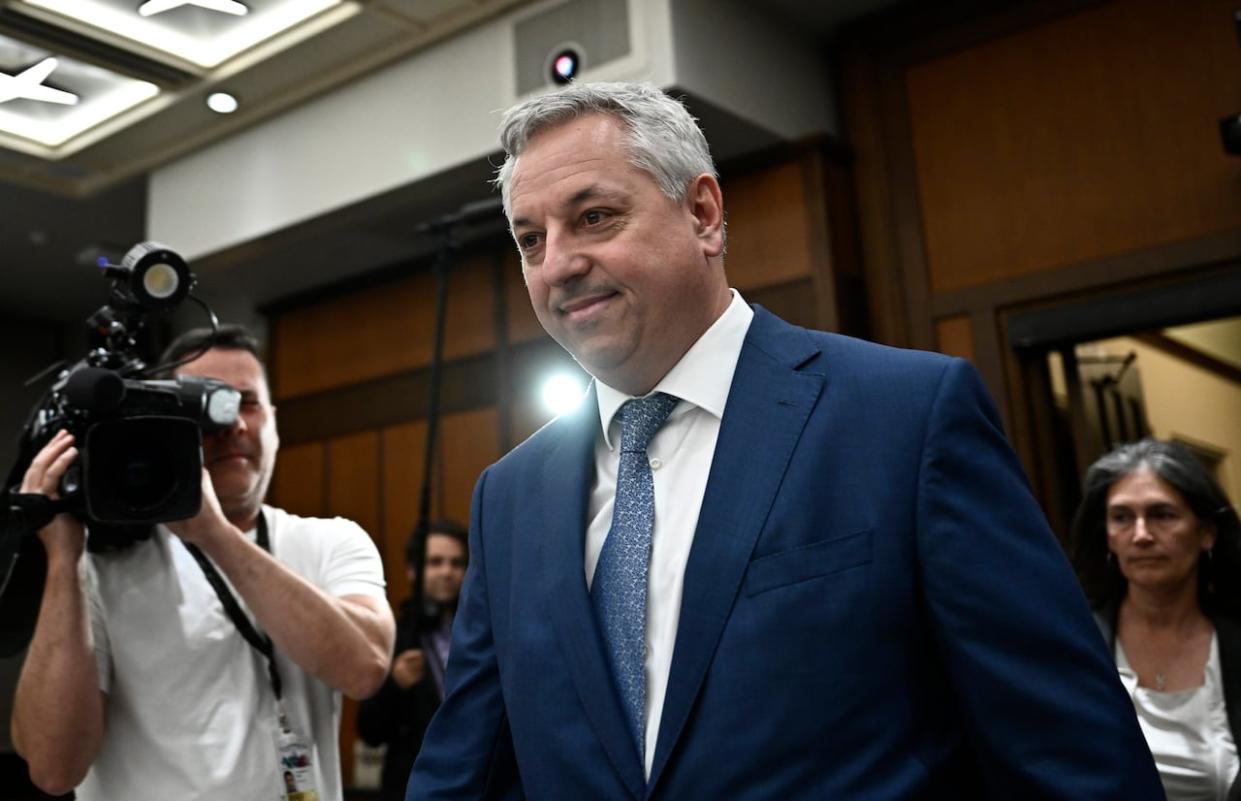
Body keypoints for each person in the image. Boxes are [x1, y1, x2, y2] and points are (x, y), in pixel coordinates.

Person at [405, 81, 1163, 800]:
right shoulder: (508, 494)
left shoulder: (904, 417)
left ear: (702, 213)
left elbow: (1067, 753)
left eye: (594, 217)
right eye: (530, 239)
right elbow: (464, 768)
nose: (559, 265)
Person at [11, 325, 395, 801]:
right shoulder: (101, 564)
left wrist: (213, 535)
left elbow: (365, 668)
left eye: (247, 402)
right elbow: (52, 767)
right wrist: (63, 557)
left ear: (275, 422)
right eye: (205, 402)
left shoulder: (329, 541)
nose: (231, 422)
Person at [1070, 438, 1241, 800]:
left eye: (1162, 515)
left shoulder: (1235, 641)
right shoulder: (1077, 643)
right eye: (1122, 518)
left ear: (1206, 533)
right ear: (1108, 538)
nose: (1141, 535)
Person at [358, 521, 468, 801]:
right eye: (434, 562)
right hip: (413, 785)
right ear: (412, 570)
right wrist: (395, 684)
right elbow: (370, 730)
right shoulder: (391, 637)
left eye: (457, 563)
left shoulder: (485, 634)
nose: (447, 572)